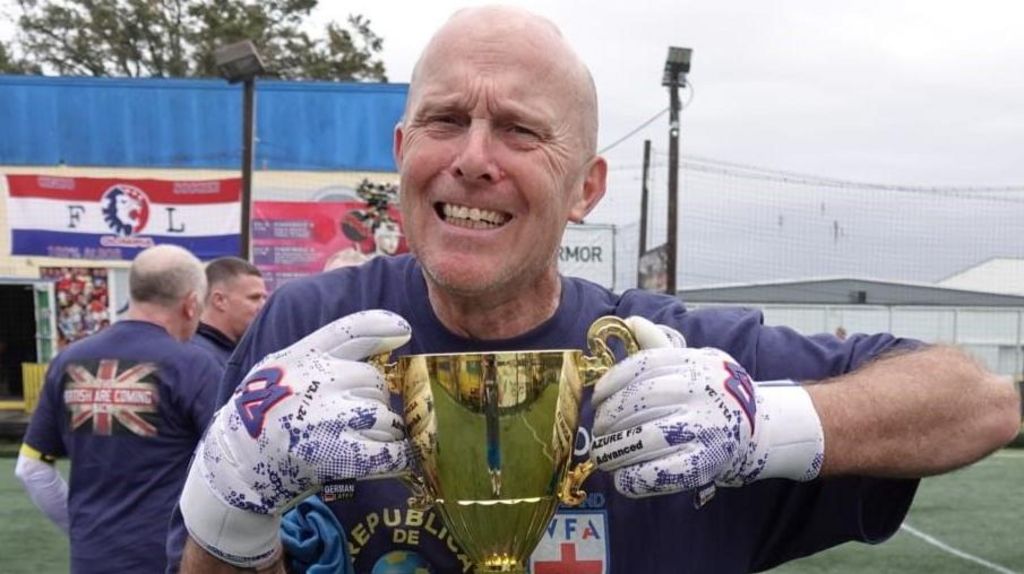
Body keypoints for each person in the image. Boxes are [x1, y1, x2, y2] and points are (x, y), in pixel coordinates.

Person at [177, 7, 1023, 573]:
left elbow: (981, 403)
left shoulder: (676, 353)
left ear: (587, 187)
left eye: (519, 129)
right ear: (403, 150)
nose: (473, 156)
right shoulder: (309, 326)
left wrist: (767, 425)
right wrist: (230, 507)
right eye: (444, 120)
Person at [16, 244, 223, 573]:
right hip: (168, 560)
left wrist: (86, 533)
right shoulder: (195, 366)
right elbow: (229, 466)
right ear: (191, 304)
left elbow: (32, 469)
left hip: (91, 559)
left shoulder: (68, 361)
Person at [191, 256, 268, 367]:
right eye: (254, 298)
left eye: (264, 298)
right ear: (220, 300)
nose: (263, 306)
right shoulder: (200, 359)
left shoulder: (240, 353)